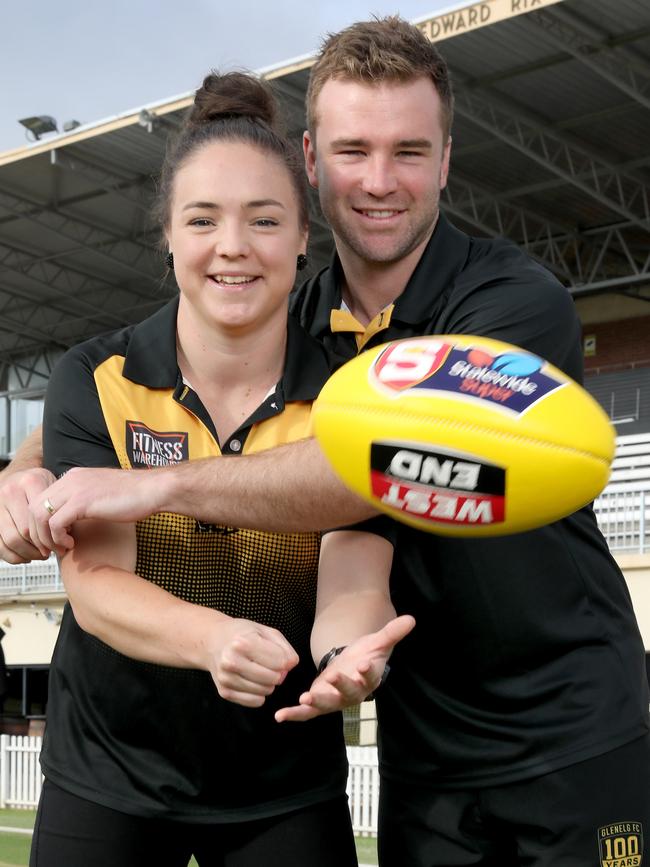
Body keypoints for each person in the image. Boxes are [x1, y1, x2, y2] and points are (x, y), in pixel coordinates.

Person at [3, 16, 649, 867]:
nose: (380, 181)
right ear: (311, 163)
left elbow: (369, 470)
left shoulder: (510, 305)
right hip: (422, 741)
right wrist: (27, 463)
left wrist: (154, 484)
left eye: (410, 152)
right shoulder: (299, 322)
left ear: (447, 161)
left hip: (566, 725)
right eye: (353, 151)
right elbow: (111, 386)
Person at [23, 69, 416, 867]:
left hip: (282, 780)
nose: (232, 246)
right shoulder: (96, 378)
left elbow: (354, 574)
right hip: (110, 776)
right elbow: (95, 585)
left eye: (264, 220)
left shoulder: (352, 395)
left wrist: (345, 661)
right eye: (202, 219)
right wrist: (215, 640)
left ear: (305, 236)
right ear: (167, 234)